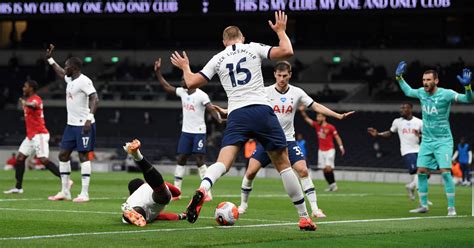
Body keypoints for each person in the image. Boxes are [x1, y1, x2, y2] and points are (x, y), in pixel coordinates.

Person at [171, 11, 318, 230]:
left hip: (237, 114)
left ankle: (204, 188)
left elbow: (191, 83)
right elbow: (287, 51)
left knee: (223, 162)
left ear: (224, 42)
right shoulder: (253, 47)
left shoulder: (218, 58)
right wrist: (281, 32)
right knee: (283, 164)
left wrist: (185, 67)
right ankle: (304, 216)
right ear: (242, 38)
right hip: (261, 110)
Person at [238, 61, 354, 218]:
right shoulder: (265, 92)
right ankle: (243, 204)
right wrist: (226, 111)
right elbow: (245, 104)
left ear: (290, 75)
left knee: (303, 170)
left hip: (288, 140)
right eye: (279, 75)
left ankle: (315, 209)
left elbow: (316, 106)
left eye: (285, 76)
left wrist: (337, 115)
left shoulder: (297, 92)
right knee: (250, 172)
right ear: (274, 75)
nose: (282, 79)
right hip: (267, 140)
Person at [395, 61, 473, 216]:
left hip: (443, 140)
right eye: (424, 80)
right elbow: (408, 91)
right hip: (427, 141)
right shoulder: (421, 93)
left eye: (428, 80)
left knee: (445, 171)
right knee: (421, 171)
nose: (425, 83)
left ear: (436, 81)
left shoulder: (446, 94)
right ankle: (423, 205)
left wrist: (468, 87)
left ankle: (451, 208)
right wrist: (399, 77)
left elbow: (467, 99)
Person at [154, 58, 223, 201]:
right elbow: (167, 87)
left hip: (199, 132)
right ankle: (176, 192)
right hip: (186, 132)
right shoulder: (182, 92)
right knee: (181, 159)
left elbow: (210, 109)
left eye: (183, 79)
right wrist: (158, 73)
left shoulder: (201, 95)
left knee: (199, 160)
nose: (181, 81)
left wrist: (219, 119)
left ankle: (207, 193)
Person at [45, 44, 99, 203]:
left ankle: (84, 193)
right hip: (71, 125)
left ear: (74, 68)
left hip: (84, 125)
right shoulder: (70, 79)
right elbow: (60, 71)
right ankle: (65, 191)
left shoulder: (84, 81)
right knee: (63, 155)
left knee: (83, 155)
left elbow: (95, 98)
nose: (65, 68)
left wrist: (89, 118)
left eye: (67, 66)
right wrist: (50, 59)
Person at [4, 80, 63, 194]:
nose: (23, 88)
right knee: (20, 158)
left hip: (40, 134)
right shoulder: (29, 100)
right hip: (31, 136)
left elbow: (34, 105)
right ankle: (18, 187)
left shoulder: (36, 99)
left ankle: (65, 180)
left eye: (25, 86)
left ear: (31, 88)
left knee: (43, 160)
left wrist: (26, 104)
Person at [121, 139, 186, 226]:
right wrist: (180, 216)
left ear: (131, 192)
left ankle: (130, 213)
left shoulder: (131, 198)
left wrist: (179, 216)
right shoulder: (146, 185)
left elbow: (162, 216)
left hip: (134, 205)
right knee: (163, 195)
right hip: (153, 194)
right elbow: (177, 192)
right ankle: (138, 157)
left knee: (140, 212)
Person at [367, 103, 423, 200]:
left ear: (410, 109)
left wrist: (421, 136)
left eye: (404, 108)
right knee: (418, 172)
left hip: (419, 150)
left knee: (425, 173)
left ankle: (411, 186)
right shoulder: (397, 122)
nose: (401, 110)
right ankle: (422, 200)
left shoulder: (419, 122)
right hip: (407, 151)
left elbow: (426, 135)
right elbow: (390, 133)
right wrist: (378, 134)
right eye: (401, 108)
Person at [299, 110, 345, 192]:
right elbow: (307, 119)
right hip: (321, 150)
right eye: (317, 117)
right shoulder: (317, 125)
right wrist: (302, 112)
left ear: (324, 118)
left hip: (330, 150)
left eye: (319, 117)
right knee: (324, 169)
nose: (317, 118)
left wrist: (341, 147)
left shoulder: (330, 127)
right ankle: (331, 186)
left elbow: (337, 137)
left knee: (328, 168)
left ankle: (334, 185)